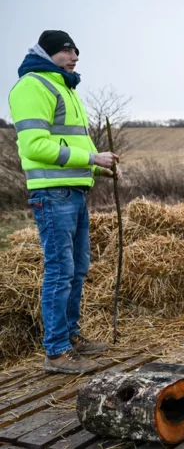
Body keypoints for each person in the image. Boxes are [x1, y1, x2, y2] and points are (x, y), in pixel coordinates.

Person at [9, 30, 121, 374]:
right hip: (52, 194)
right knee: (60, 272)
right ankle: (56, 353)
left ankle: (71, 338)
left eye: (76, 51)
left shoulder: (63, 86)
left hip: (72, 191)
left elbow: (66, 144)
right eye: (67, 51)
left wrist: (98, 169)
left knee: (77, 270)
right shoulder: (33, 85)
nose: (74, 57)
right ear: (47, 53)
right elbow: (34, 147)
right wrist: (92, 158)